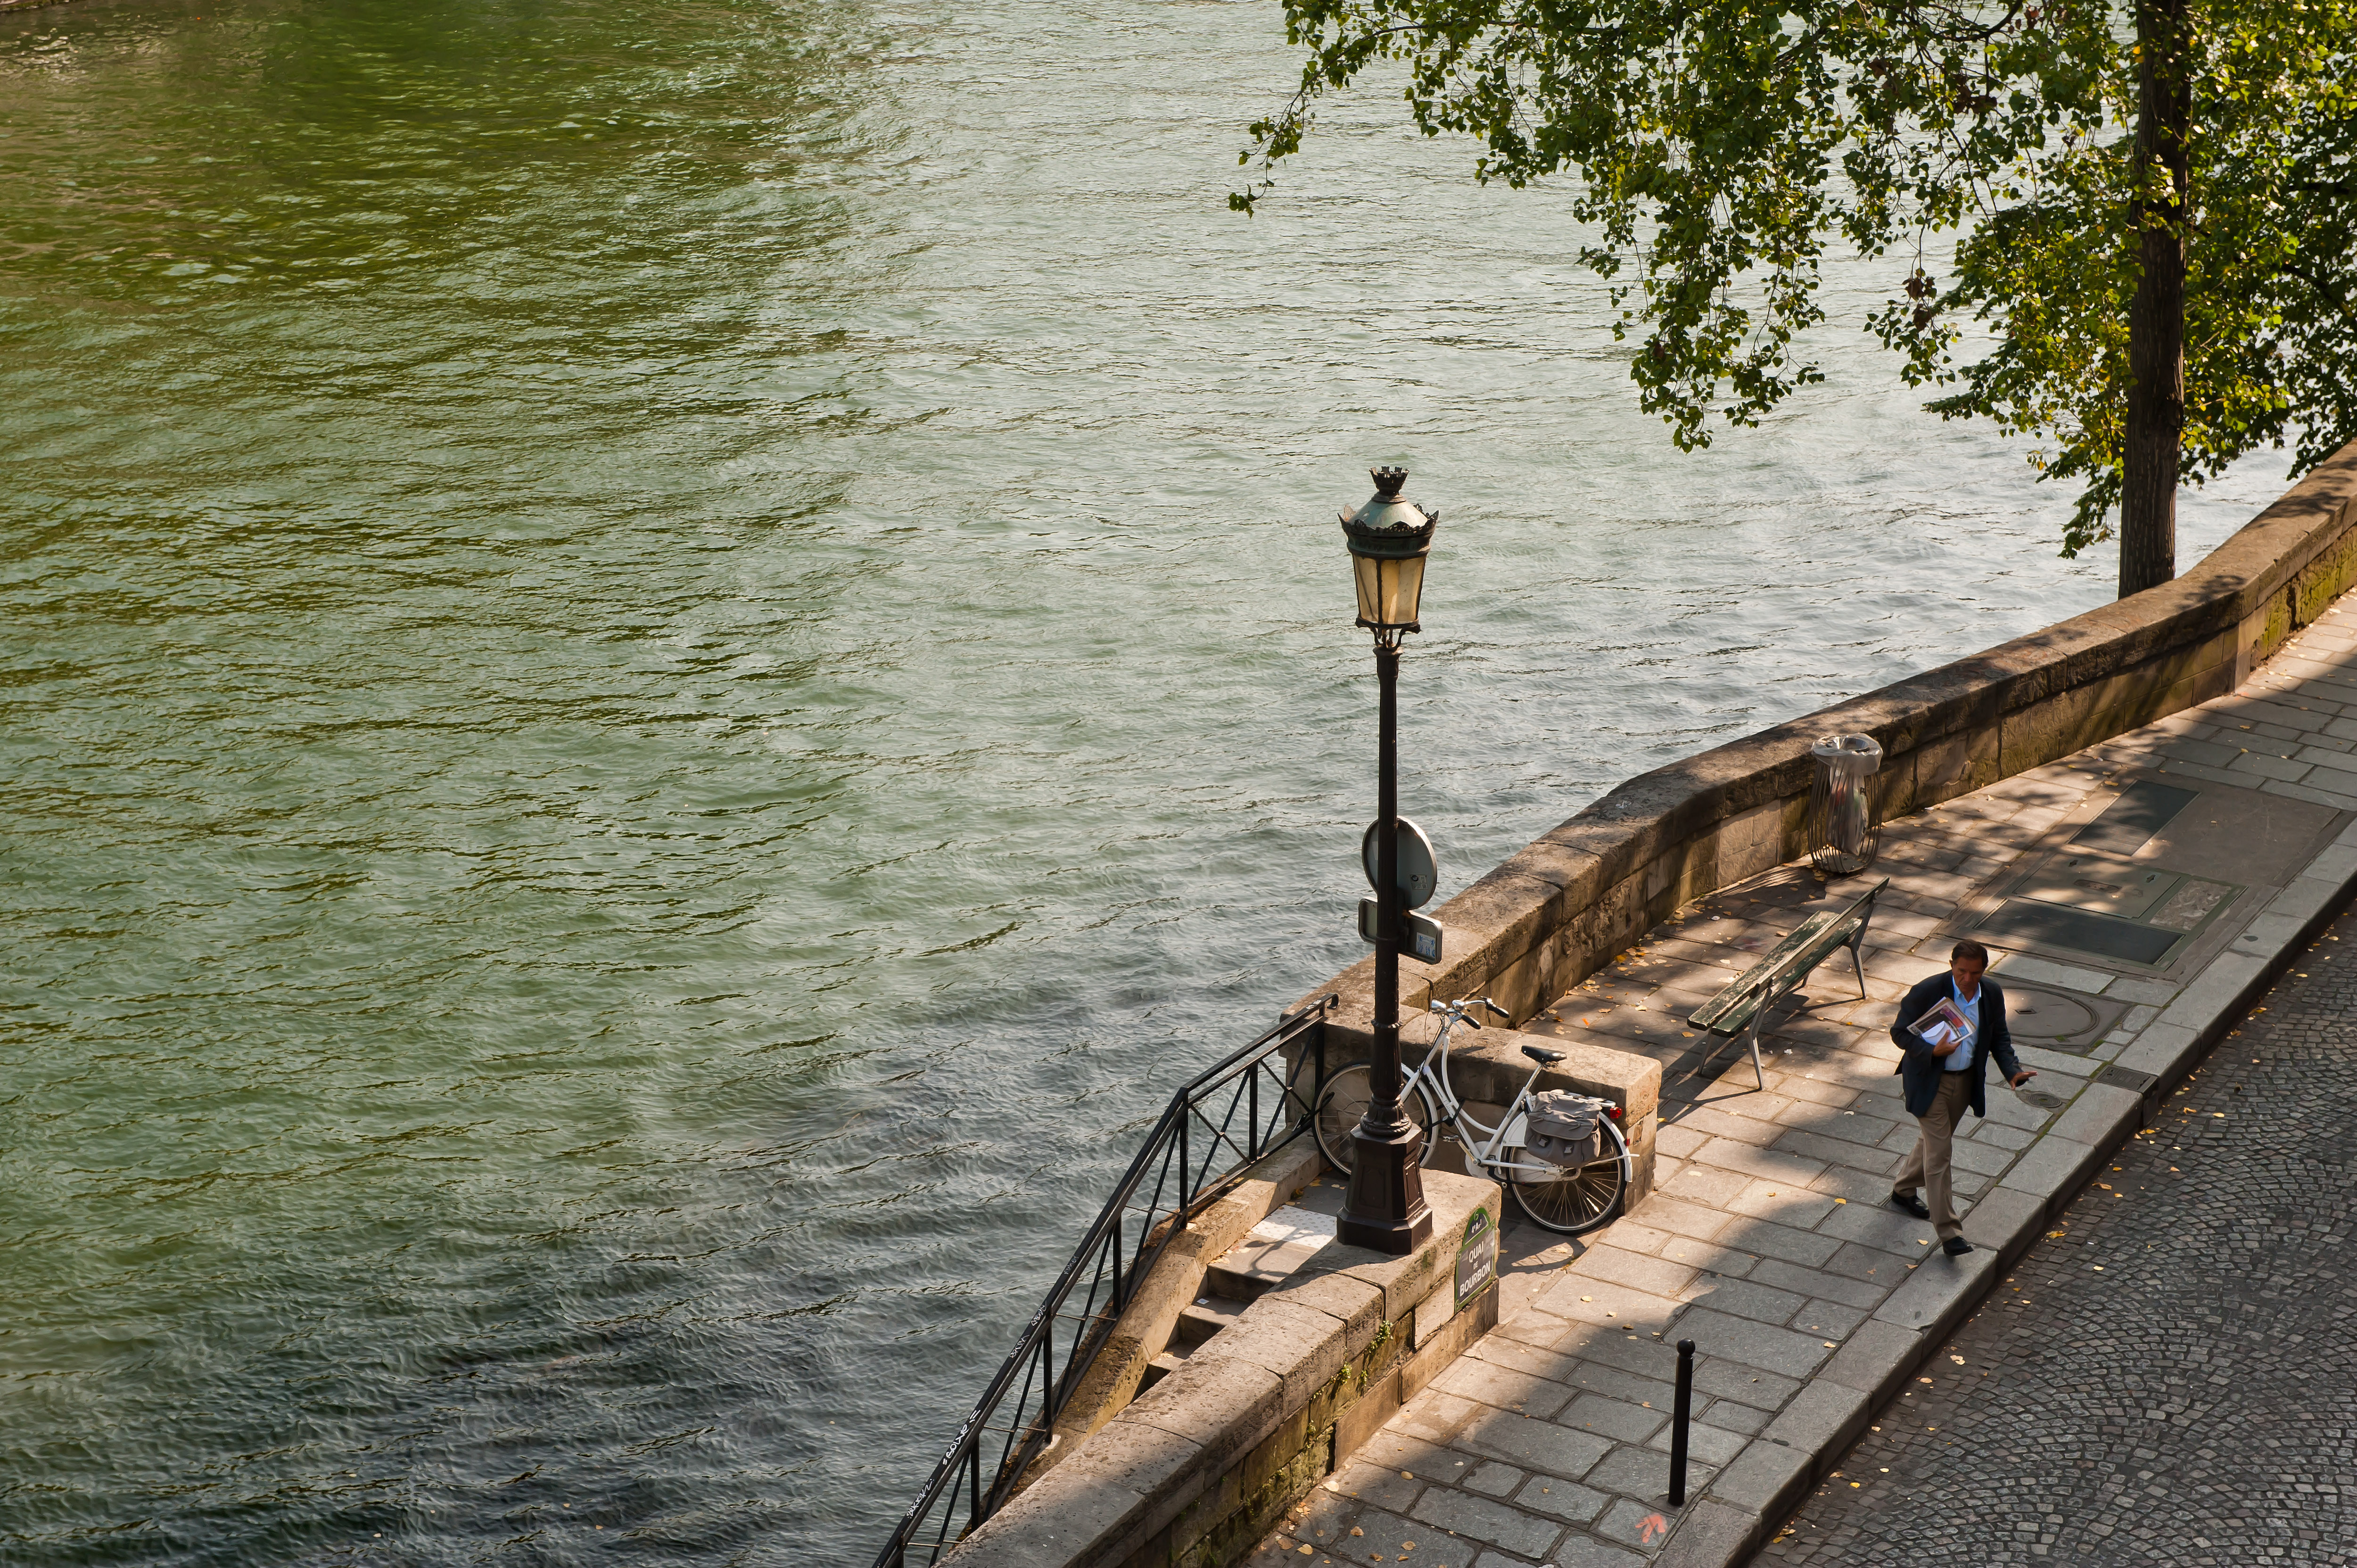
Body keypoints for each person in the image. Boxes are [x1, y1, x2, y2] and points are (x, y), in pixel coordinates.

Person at [1887, 939, 2036, 1256]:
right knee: (1940, 1154)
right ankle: (1950, 1233)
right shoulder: (1927, 991)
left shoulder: (1991, 993)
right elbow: (1899, 1033)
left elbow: (1999, 1037)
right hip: (1929, 1082)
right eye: (1962, 972)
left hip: (1965, 1080)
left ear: (1984, 970)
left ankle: (1903, 1190)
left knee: (1933, 1143)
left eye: (1976, 973)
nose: (1968, 980)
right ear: (1952, 965)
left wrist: (2013, 1071)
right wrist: (1932, 1051)